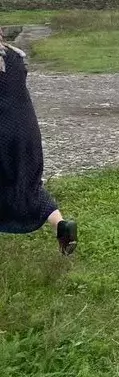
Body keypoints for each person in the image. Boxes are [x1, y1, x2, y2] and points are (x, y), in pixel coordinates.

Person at [0, 28, 77, 255]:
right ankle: (63, 227)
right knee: (30, 186)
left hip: (2, 132)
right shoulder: (16, 55)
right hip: (26, 130)